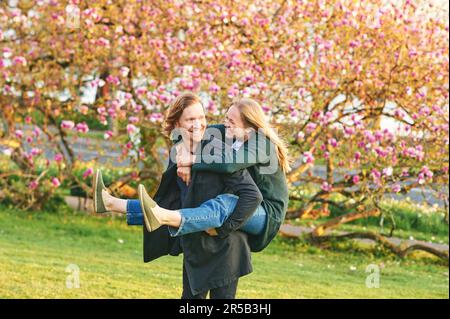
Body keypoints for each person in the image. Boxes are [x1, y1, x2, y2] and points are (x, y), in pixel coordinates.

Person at [94, 93, 263, 299]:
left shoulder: (219, 152)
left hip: (225, 248)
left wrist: (221, 229)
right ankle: (109, 202)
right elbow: (168, 204)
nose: (199, 124)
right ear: (177, 124)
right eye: (191, 119)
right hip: (195, 243)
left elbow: (252, 196)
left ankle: (110, 202)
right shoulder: (177, 154)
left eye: (201, 118)